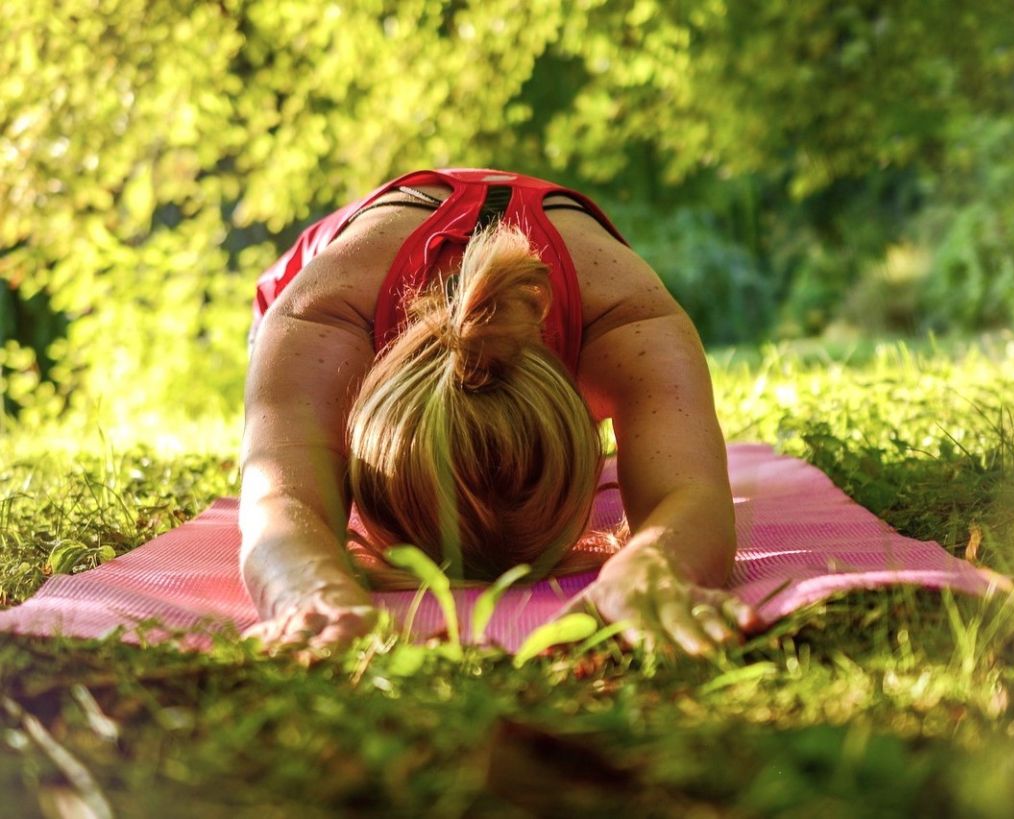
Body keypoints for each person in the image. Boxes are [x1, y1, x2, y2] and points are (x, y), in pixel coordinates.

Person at [240, 168, 756, 657]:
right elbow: (278, 497)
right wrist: (308, 588)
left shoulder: (626, 317)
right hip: (332, 277)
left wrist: (655, 565)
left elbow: (693, 494)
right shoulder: (321, 316)